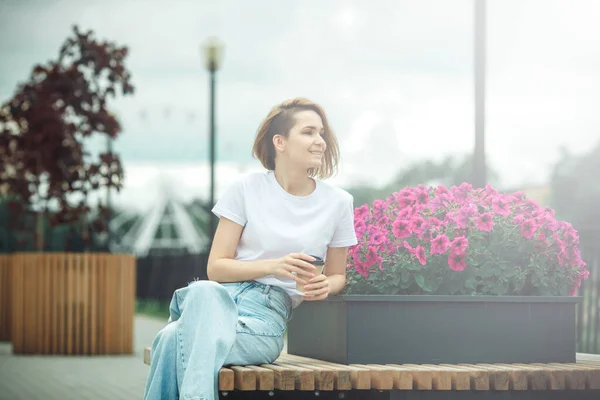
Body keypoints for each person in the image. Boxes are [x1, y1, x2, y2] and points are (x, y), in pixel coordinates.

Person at [144, 97, 358, 400]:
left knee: (170, 340)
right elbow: (216, 268)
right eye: (309, 132)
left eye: (322, 133)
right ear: (280, 142)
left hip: (265, 318)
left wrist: (326, 284)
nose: (320, 141)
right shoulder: (245, 189)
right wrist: (273, 265)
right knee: (206, 291)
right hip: (220, 301)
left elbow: (338, 275)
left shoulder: (338, 202)